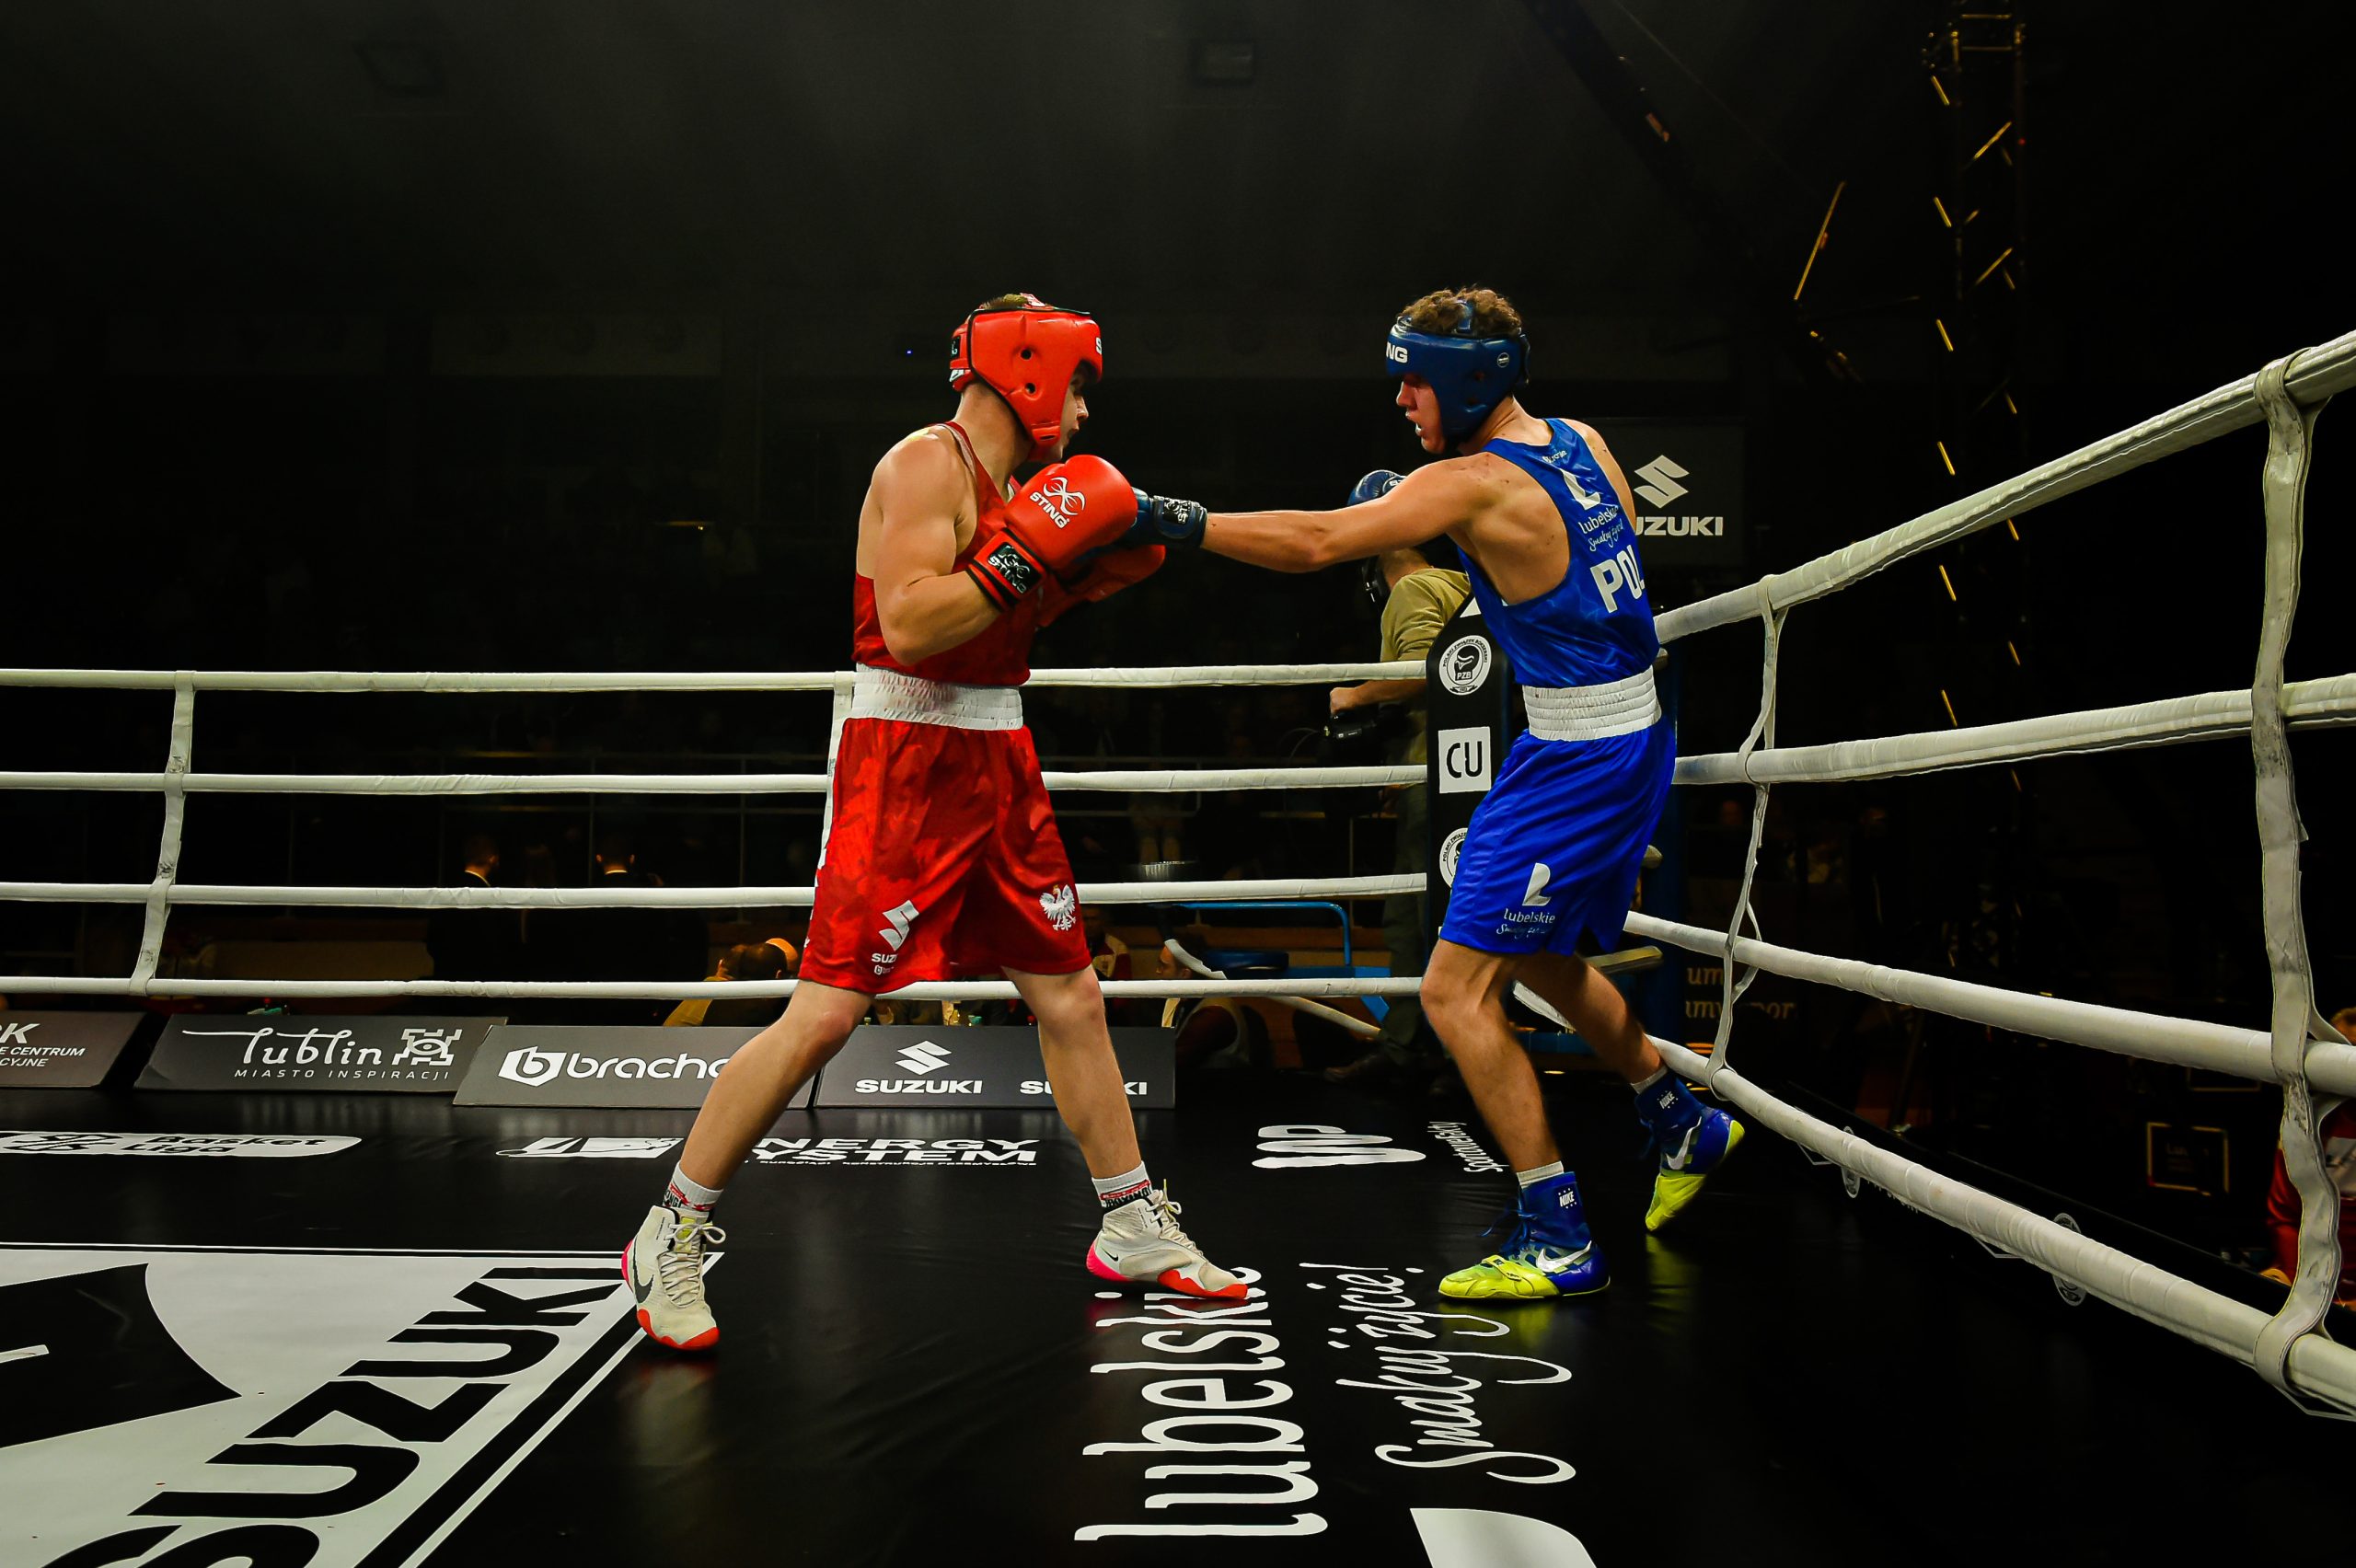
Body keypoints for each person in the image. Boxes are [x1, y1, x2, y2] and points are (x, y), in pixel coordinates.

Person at [623, 294, 1243, 1352]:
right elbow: (911, 625)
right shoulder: (924, 464)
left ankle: (1133, 1222)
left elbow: (999, 620)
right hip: (905, 760)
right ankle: (667, 1231)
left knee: (1071, 995)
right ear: (1030, 370)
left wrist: (1075, 582)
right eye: (1077, 387)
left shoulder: (1015, 493)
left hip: (998, 754)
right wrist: (1035, 557)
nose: (1083, 413)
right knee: (825, 1015)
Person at [1121, 286, 1741, 1299]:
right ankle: (1679, 1118)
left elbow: (1318, 542)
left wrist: (1175, 521)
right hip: (1621, 730)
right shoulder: (1579, 442)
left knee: (1453, 992)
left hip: (1579, 757)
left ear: (1465, 381)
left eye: (1414, 380)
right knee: (1536, 949)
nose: (1402, 399)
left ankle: (1558, 1234)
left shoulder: (1472, 483)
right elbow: (1598, 576)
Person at [1324, 540, 1470, 1087]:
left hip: (1436, 778)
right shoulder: (1462, 585)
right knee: (1449, 915)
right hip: (1465, 769)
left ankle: (1426, 1053)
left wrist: (1356, 696)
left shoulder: (1410, 588)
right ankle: (1442, 1051)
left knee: (1416, 919)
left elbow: (1431, 670)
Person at [2262, 1006, 2356, 1306]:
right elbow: (2285, 1214)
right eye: (2340, 1053)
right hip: (2312, 1274)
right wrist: (2298, 1283)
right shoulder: (2305, 1122)